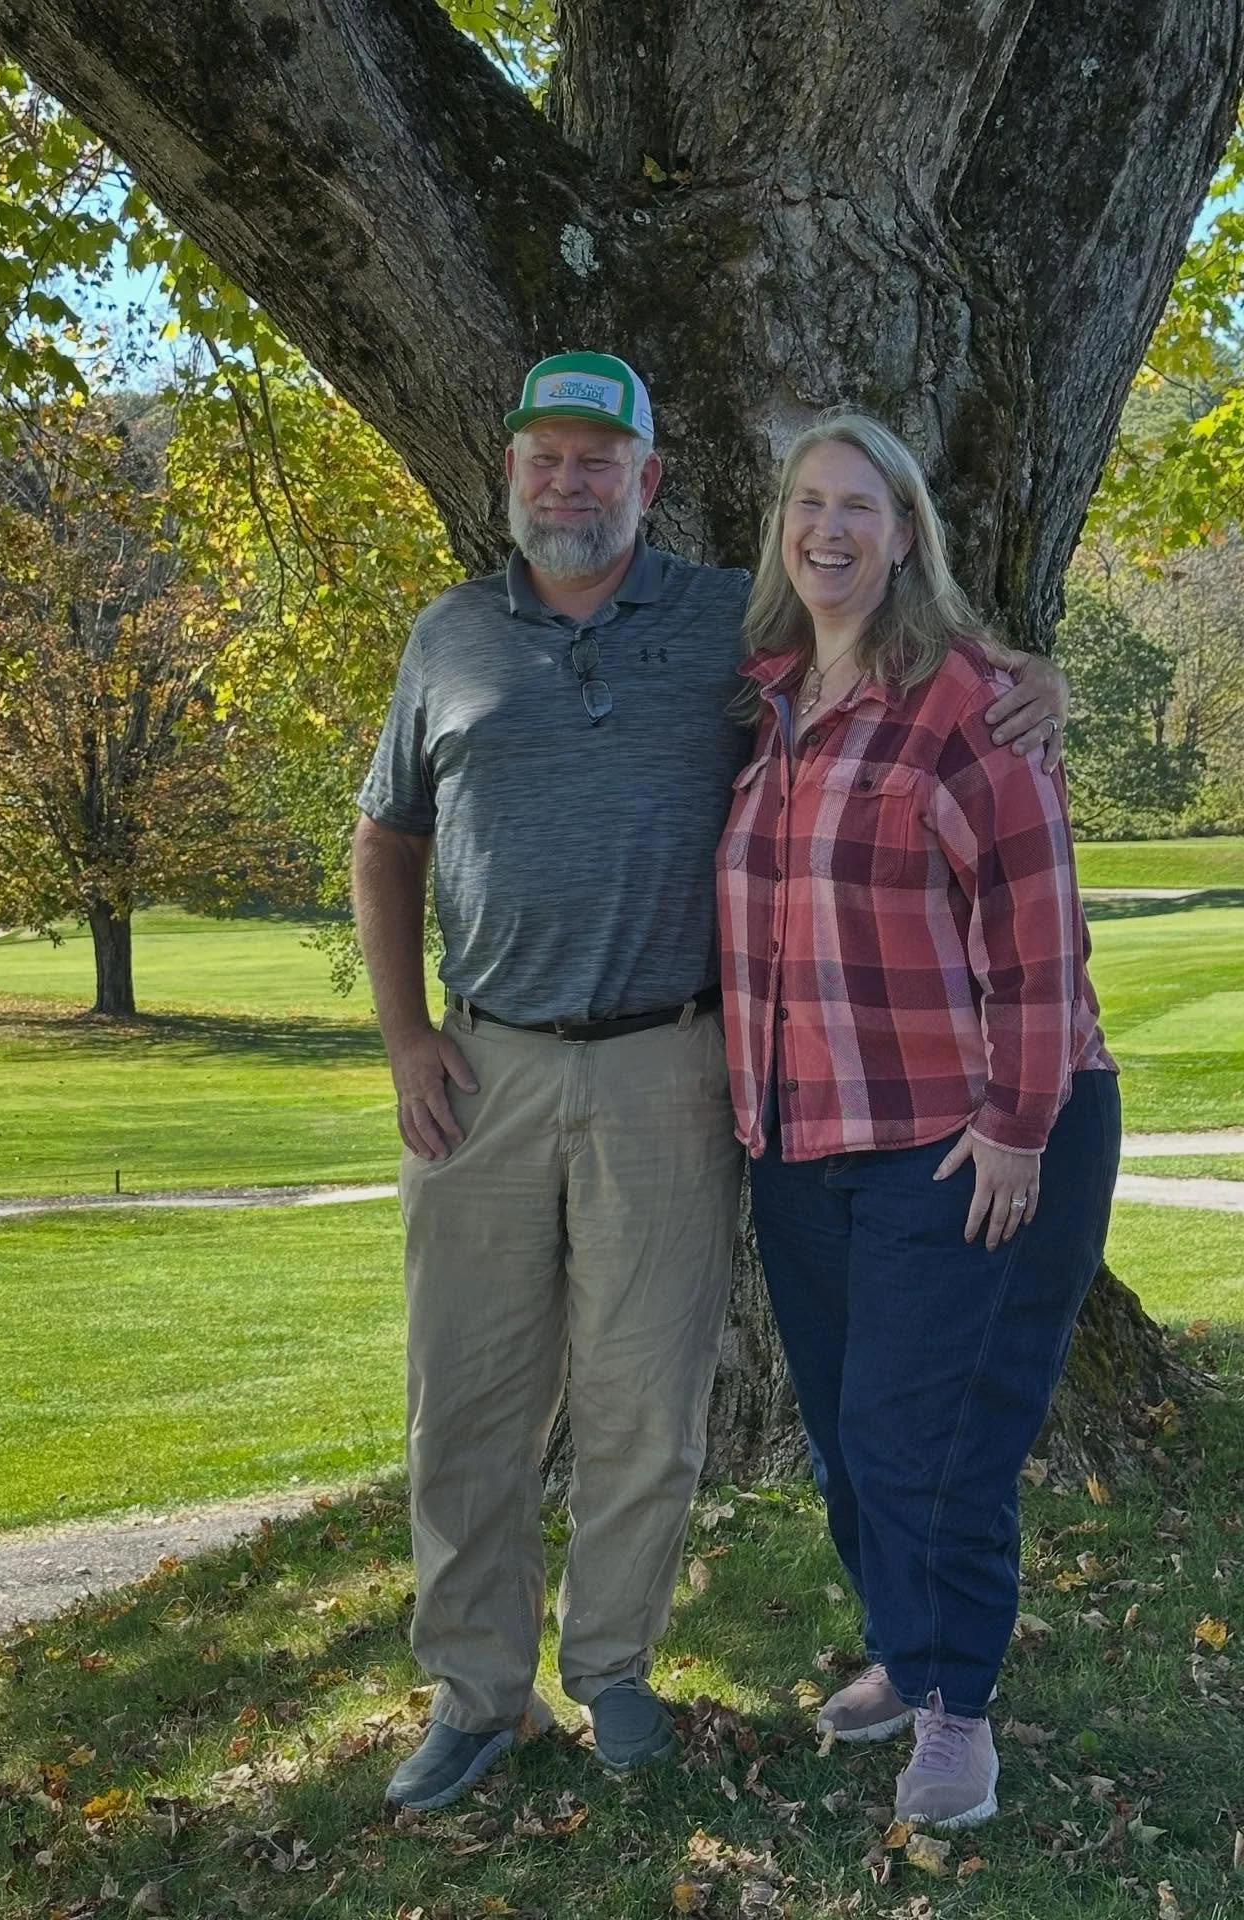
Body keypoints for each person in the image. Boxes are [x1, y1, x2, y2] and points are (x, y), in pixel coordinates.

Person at [352, 354, 1067, 1814]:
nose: (570, 484)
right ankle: (478, 1692)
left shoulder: (716, 631)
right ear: (510, 475)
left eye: (599, 461)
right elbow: (386, 840)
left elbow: (913, 670)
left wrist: (1031, 683)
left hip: (671, 1066)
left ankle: (612, 1670)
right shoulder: (449, 638)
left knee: (645, 1402)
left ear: (649, 480)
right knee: (468, 1399)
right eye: (545, 460)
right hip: (480, 1068)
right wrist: (403, 1030)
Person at [716, 410, 1120, 1832]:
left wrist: (1020, 1125)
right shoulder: (765, 698)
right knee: (842, 1433)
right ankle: (906, 1643)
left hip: (965, 1136)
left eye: (861, 508)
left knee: (926, 1437)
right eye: (808, 504)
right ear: (782, 527)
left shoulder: (967, 702)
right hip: (804, 1139)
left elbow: (1035, 933)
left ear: (907, 536)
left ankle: (957, 1713)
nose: (828, 530)